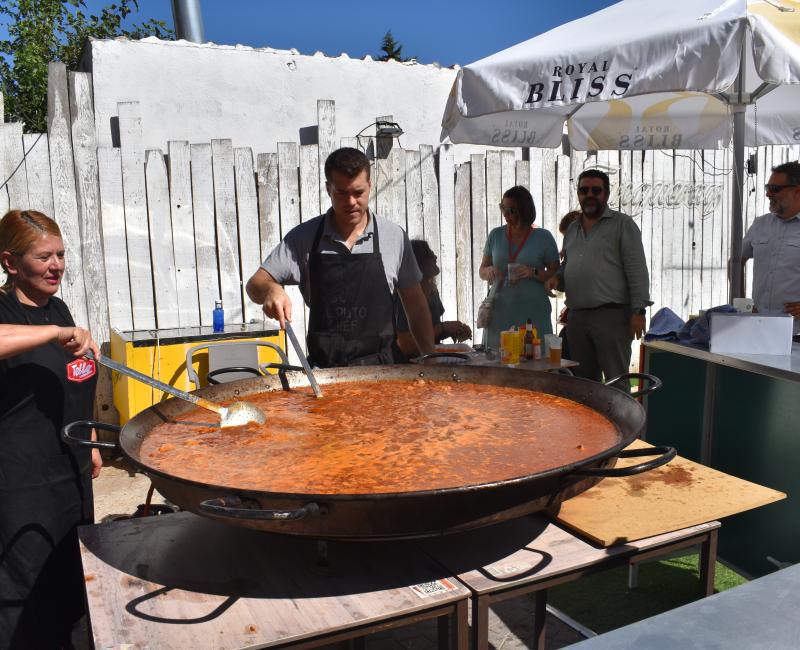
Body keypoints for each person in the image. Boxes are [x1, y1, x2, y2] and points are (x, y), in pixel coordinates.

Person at [0, 210, 102, 649]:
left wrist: (91, 440)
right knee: (27, 587)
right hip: (22, 482)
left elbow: (74, 380)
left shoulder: (57, 307)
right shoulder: (8, 310)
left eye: (60, 255)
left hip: (71, 473)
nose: (56, 265)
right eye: (43, 257)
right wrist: (53, 334)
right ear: (10, 262)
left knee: (71, 574)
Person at [246, 147, 434, 367]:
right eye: (342, 193)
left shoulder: (394, 237)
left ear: (370, 186)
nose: (351, 201)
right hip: (325, 372)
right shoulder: (304, 238)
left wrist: (430, 357)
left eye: (358, 192)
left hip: (385, 370)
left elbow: (415, 303)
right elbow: (255, 284)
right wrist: (271, 289)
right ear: (329, 189)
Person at [546, 170, 650, 382]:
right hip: (576, 318)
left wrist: (639, 311)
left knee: (617, 382)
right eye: (584, 190)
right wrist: (557, 278)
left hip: (612, 317)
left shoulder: (623, 224)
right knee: (585, 385)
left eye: (596, 190)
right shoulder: (572, 229)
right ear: (578, 194)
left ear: (607, 194)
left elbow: (637, 270)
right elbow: (568, 266)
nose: (590, 195)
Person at [479, 185, 560, 349]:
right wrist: (489, 271)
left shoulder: (543, 237)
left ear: (525, 211)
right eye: (503, 208)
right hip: (499, 311)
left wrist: (533, 272)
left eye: (511, 211)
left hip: (533, 313)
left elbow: (556, 273)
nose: (505, 214)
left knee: (534, 358)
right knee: (497, 360)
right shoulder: (495, 235)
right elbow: (482, 270)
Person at [741, 161, 800, 334]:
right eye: (767, 188)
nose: (768, 194)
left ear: (797, 191)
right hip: (758, 326)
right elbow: (736, 262)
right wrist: (743, 302)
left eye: (775, 189)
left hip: (796, 332)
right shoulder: (760, 224)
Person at [394, 239, 471, 359]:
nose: (435, 257)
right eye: (429, 254)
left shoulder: (432, 291)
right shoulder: (404, 297)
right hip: (407, 364)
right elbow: (406, 345)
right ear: (418, 263)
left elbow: (434, 334)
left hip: (430, 359)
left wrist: (454, 330)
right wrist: (442, 328)